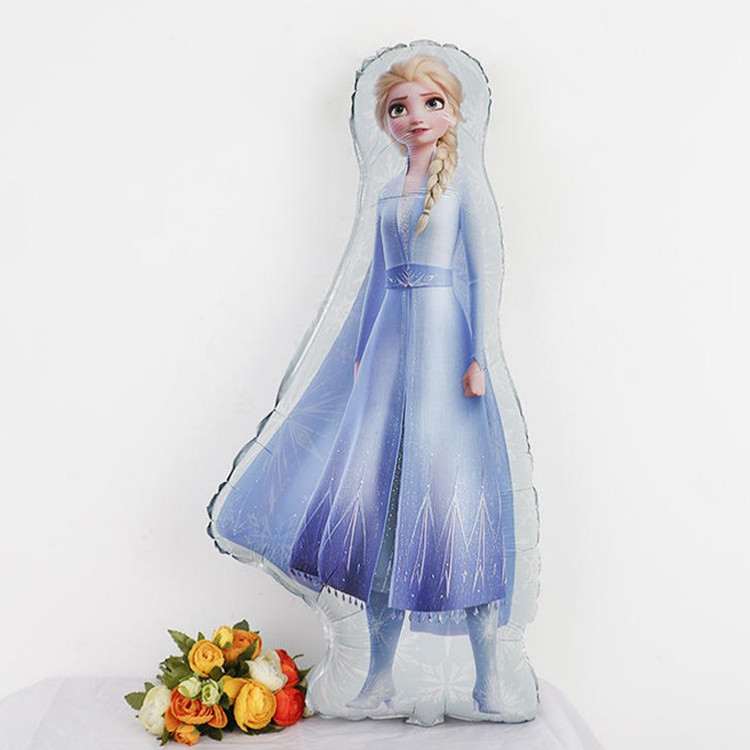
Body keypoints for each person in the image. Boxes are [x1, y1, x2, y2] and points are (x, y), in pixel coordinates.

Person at [287, 54, 512, 714]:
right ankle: (379, 677)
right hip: (388, 346)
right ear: (384, 121)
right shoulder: (387, 190)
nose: (415, 117)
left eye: (430, 103)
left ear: (454, 110)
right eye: (399, 108)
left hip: (445, 344)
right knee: (382, 503)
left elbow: (483, 274)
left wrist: (479, 356)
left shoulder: (465, 185)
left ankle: (488, 678)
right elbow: (373, 280)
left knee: (452, 495)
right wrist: (362, 353)